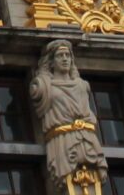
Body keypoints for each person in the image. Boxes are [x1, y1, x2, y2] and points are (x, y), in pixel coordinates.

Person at [29, 40, 105, 182]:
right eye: (59, 55)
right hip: (62, 139)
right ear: (51, 62)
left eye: (67, 55)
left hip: (87, 137)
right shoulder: (44, 87)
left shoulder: (82, 85)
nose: (65, 59)